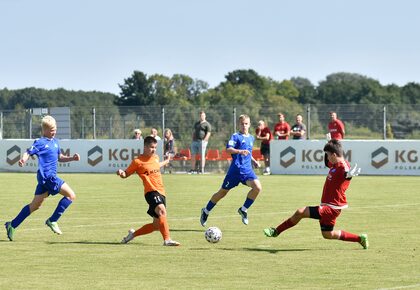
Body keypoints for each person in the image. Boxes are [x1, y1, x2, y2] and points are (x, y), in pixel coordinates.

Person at [263, 139, 368, 249]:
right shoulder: (335, 164)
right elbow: (327, 162)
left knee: (300, 212)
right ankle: (360, 239)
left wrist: (349, 174)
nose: (327, 158)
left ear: (334, 155)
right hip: (329, 205)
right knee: (327, 234)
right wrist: (329, 144)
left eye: (328, 155)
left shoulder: (343, 167)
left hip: (332, 207)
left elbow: (346, 173)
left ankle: (276, 231)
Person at [4, 115, 80, 241]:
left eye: (55, 129)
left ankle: (12, 225)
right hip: (49, 178)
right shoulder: (40, 142)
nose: (53, 131)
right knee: (71, 195)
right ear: (44, 130)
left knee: (35, 206)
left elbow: (59, 157)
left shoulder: (55, 142)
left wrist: (72, 158)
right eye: (51, 129)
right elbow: (28, 152)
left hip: (45, 180)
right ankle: (53, 220)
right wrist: (23, 159)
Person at [200, 114, 262, 227]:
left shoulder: (251, 138)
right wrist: (239, 151)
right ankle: (206, 210)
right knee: (222, 193)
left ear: (249, 124)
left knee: (257, 188)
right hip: (235, 171)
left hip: (247, 171)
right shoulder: (235, 136)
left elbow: (248, 152)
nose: (244, 126)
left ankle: (243, 209)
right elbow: (228, 149)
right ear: (239, 124)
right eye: (242, 124)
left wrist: (253, 161)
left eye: (246, 124)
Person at [117, 136, 180, 246]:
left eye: (155, 147)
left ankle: (132, 235)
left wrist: (166, 161)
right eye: (151, 147)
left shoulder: (155, 158)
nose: (154, 149)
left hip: (161, 192)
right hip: (150, 192)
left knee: (156, 225)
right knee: (162, 211)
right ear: (145, 147)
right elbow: (126, 174)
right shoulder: (137, 161)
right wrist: (121, 173)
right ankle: (167, 239)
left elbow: (156, 165)